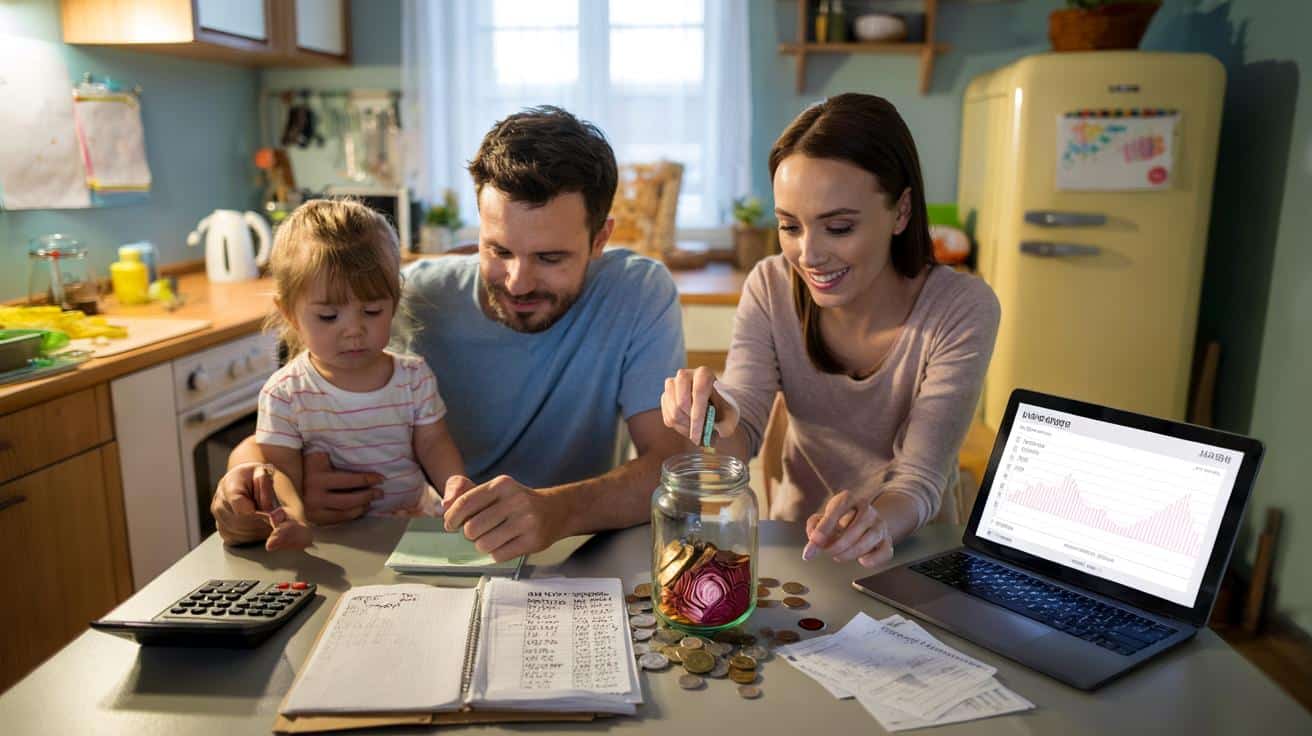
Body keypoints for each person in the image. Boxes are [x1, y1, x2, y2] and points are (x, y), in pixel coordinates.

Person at [212, 106, 690, 559]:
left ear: (599, 239)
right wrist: (250, 478)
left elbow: (670, 464)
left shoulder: (638, 293)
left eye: (550, 258)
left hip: (577, 551)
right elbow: (297, 400)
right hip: (425, 547)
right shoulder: (411, 299)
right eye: (498, 250)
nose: (518, 282)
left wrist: (557, 511)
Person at [661, 93, 1000, 568]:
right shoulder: (770, 285)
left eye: (838, 228)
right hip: (798, 548)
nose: (808, 255)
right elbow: (745, 433)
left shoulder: (961, 308)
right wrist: (712, 417)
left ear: (901, 211)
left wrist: (874, 523)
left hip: (908, 553)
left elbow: (919, 480)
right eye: (789, 226)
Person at [246, 199, 465, 551]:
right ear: (289, 313)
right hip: (337, 538)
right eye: (329, 317)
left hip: (414, 524)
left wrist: (457, 488)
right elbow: (280, 471)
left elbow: (433, 443)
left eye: (372, 311)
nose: (353, 331)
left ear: (394, 302)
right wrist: (294, 519)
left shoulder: (413, 377)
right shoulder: (285, 394)